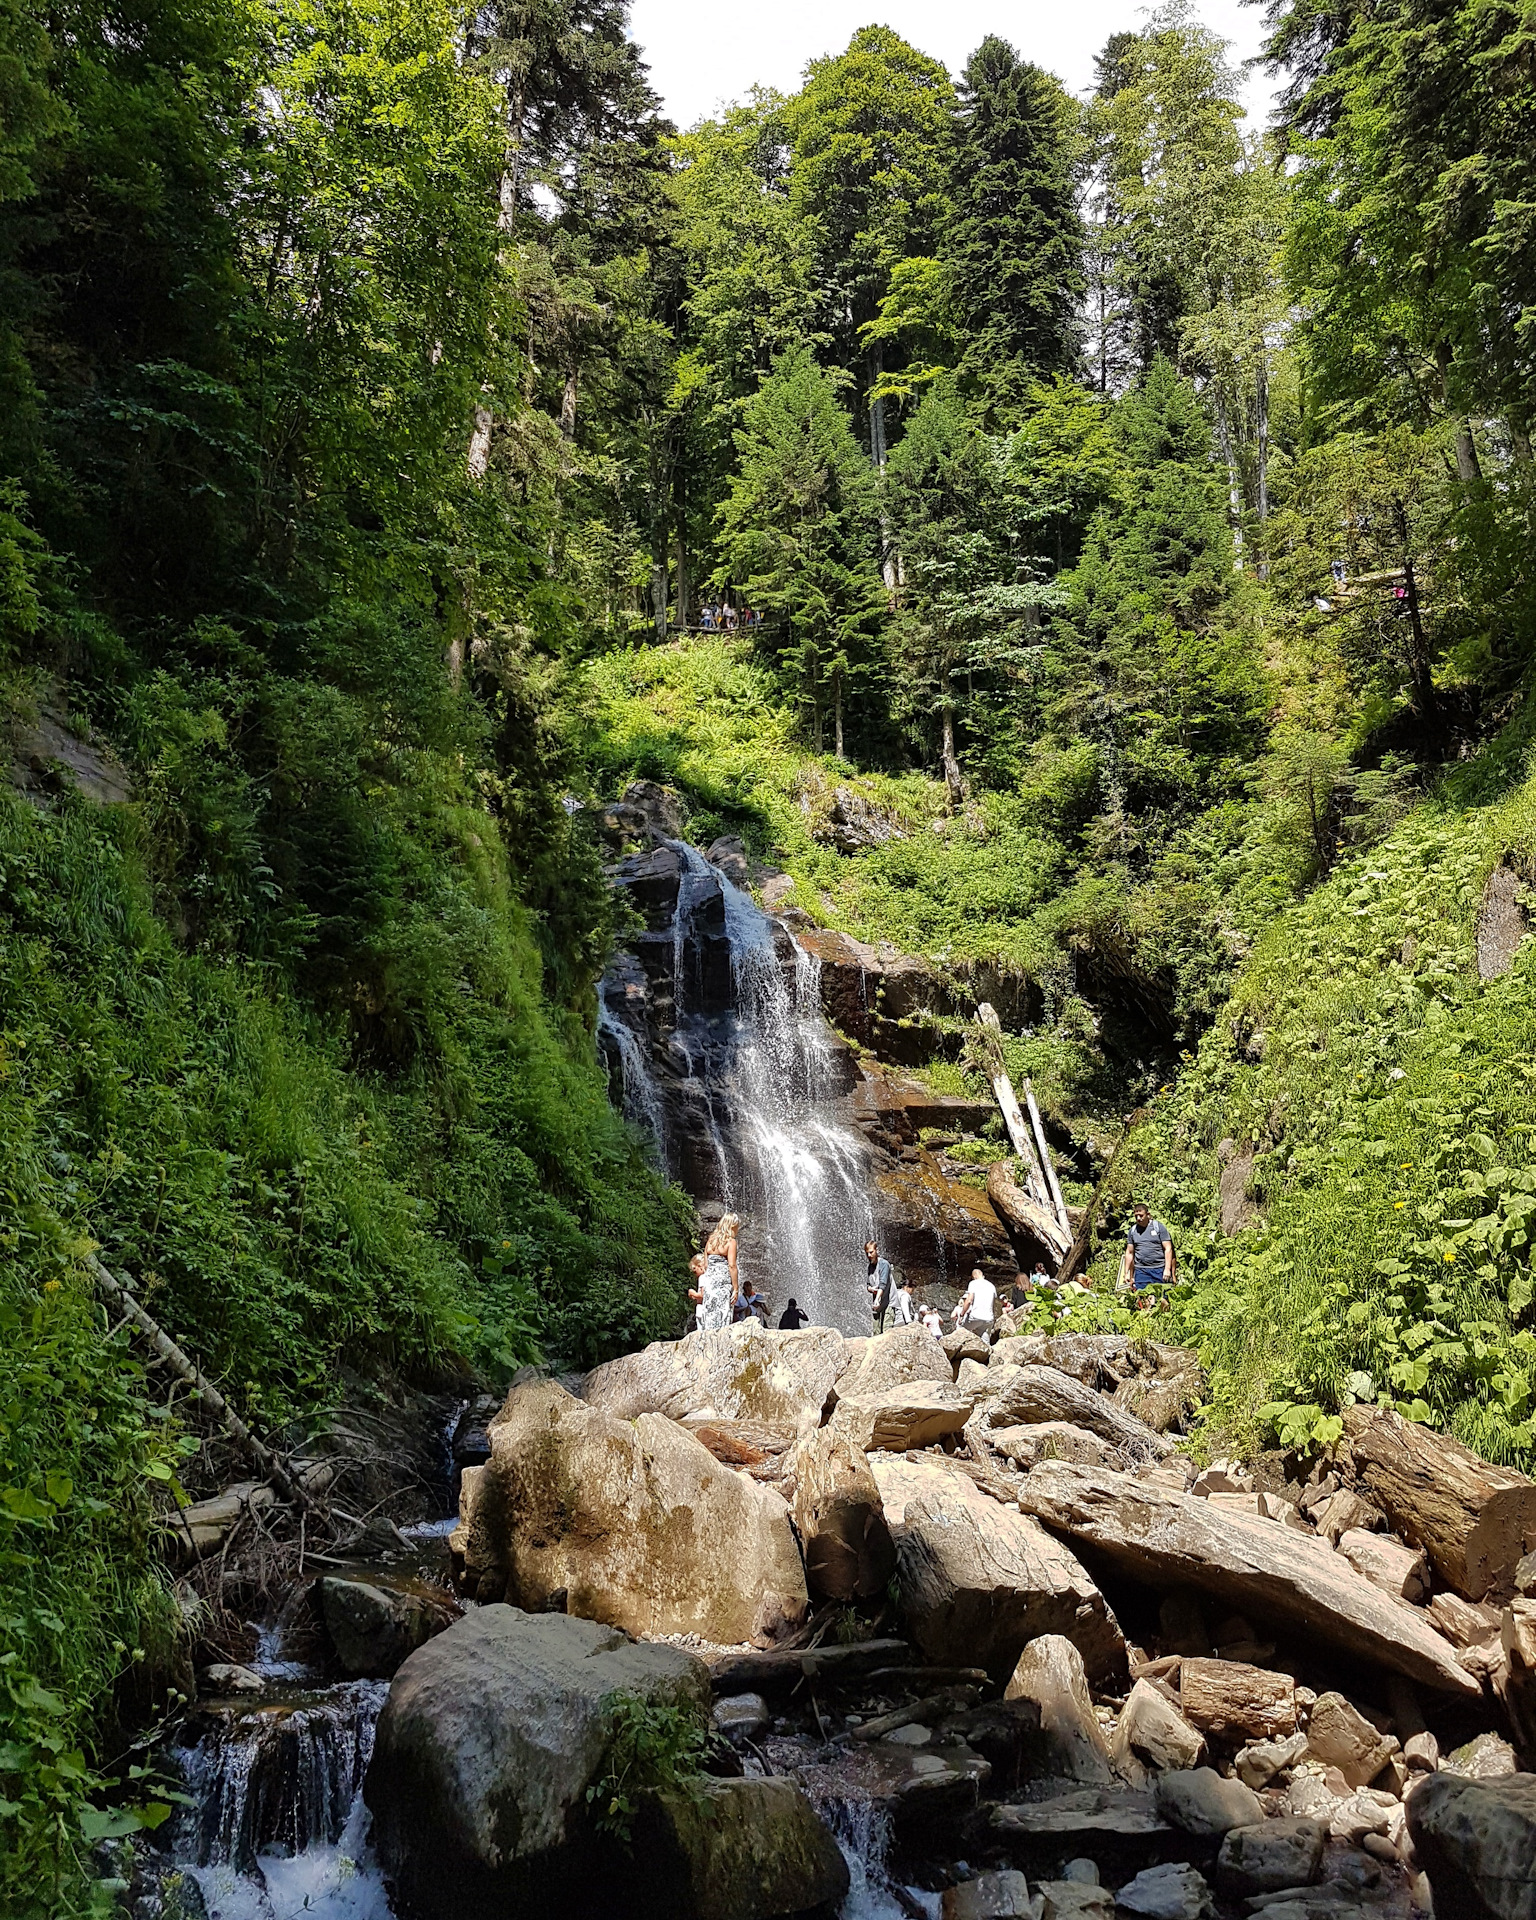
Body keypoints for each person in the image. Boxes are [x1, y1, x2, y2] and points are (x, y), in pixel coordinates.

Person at [1119, 1201, 1174, 1305]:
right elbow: (1129, 1252)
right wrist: (1127, 1273)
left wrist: (1167, 1269)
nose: (1139, 1218)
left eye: (1141, 1215)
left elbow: (1168, 1248)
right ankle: (1146, 1319)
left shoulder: (1158, 1227)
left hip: (1159, 1268)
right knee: (1144, 1300)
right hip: (1141, 1270)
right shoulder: (1133, 1231)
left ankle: (1164, 1319)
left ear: (1148, 1215)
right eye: (1136, 1216)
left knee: (1162, 1299)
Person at [697, 1213, 740, 1331]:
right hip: (723, 1283)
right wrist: (735, 1288)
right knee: (723, 1312)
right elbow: (732, 1266)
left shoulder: (710, 1241)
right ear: (732, 1226)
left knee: (710, 1311)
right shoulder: (731, 1242)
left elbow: (706, 1265)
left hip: (710, 1281)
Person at [952, 1267, 997, 1338]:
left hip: (976, 1316)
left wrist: (961, 1315)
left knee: (960, 1329)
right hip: (989, 1318)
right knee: (985, 1340)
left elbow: (969, 1300)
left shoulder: (973, 1283)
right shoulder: (992, 1286)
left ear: (974, 1277)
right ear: (983, 1275)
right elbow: (993, 1303)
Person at [865, 1240, 893, 1331]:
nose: (869, 1255)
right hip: (877, 1305)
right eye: (867, 1253)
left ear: (877, 1250)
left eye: (871, 1252)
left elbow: (883, 1284)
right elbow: (868, 1285)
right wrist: (870, 1289)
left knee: (886, 1331)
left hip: (888, 1303)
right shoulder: (870, 1267)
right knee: (876, 1332)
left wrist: (877, 1299)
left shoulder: (884, 1264)